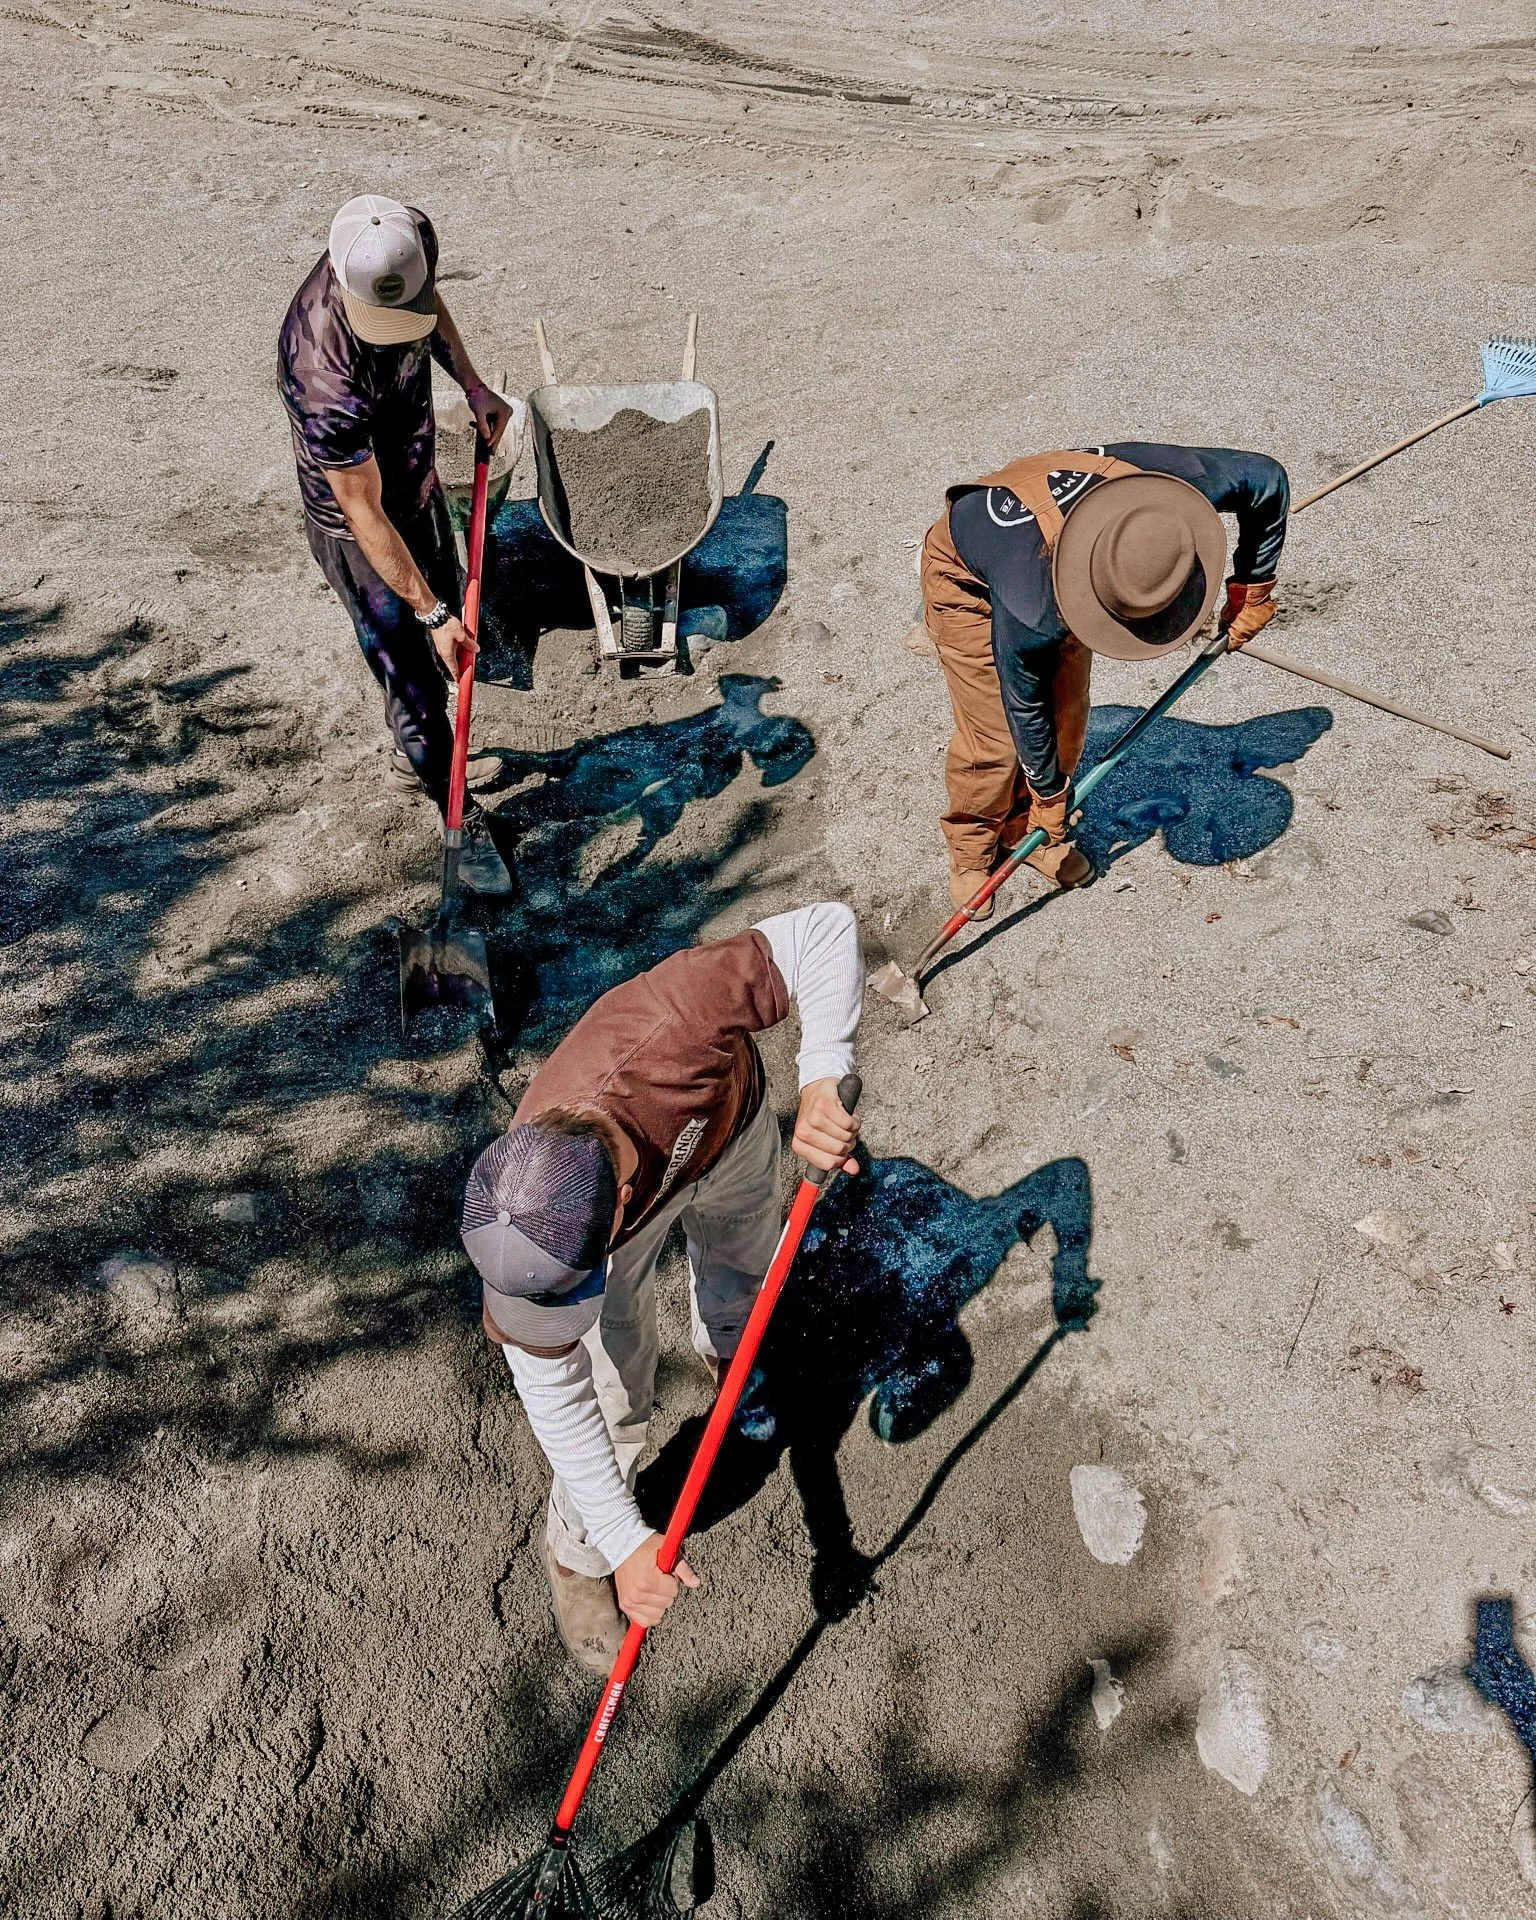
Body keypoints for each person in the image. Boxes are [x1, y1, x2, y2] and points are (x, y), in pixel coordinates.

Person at [460, 902, 863, 1672]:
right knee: (615, 1395)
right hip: (645, 1199)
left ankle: (735, 1360)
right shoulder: (525, 1236)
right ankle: (576, 1556)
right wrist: (624, 1542)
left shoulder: (667, 1020)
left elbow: (824, 929)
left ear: (616, 1201)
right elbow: (555, 1393)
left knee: (743, 1258)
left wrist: (821, 1077)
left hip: (731, 1127)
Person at [918, 443, 1289, 915]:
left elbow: (1268, 480)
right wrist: (1050, 792)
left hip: (1072, 552)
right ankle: (973, 847)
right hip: (967, 577)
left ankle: (1026, 831)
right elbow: (1022, 702)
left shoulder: (1178, 494)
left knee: (1069, 711)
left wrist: (1252, 588)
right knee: (994, 737)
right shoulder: (1034, 611)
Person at [278, 193, 514, 894]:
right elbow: (362, 509)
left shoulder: (407, 241)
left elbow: (429, 305)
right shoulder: (319, 370)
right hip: (359, 530)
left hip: (413, 485)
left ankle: (426, 744)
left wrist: (470, 385)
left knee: (446, 644)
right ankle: (453, 811)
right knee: (416, 675)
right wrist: (433, 614)